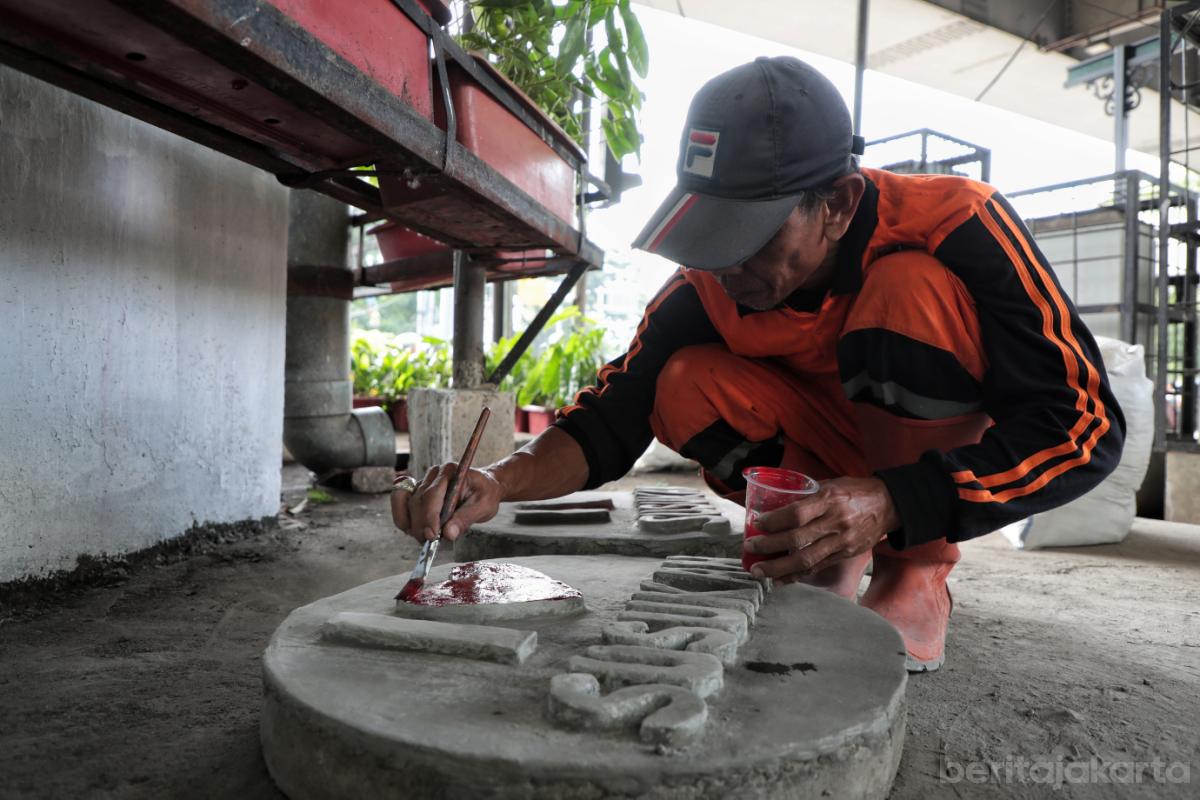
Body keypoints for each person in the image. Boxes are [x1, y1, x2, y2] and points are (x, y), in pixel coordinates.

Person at [391, 56, 1125, 673]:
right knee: (680, 384)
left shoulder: (957, 225)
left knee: (908, 294)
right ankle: (818, 547)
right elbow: (611, 416)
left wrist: (896, 502)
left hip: (929, 467)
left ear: (836, 203)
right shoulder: (710, 281)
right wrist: (495, 481)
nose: (725, 265)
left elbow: (1083, 425)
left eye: (749, 236)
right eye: (710, 233)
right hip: (833, 452)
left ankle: (915, 573)